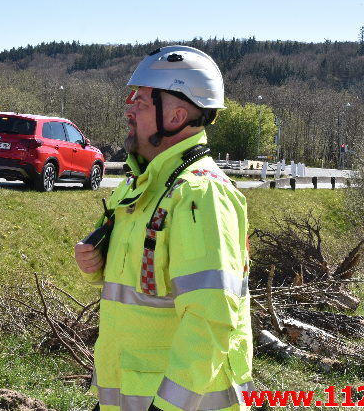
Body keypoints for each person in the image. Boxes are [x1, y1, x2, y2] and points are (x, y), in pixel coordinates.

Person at [75, 46, 253, 411]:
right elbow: (146, 280)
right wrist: (97, 263)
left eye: (140, 101)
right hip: (130, 392)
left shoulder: (200, 194)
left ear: (175, 116)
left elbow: (210, 319)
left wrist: (167, 407)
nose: (129, 108)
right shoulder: (141, 183)